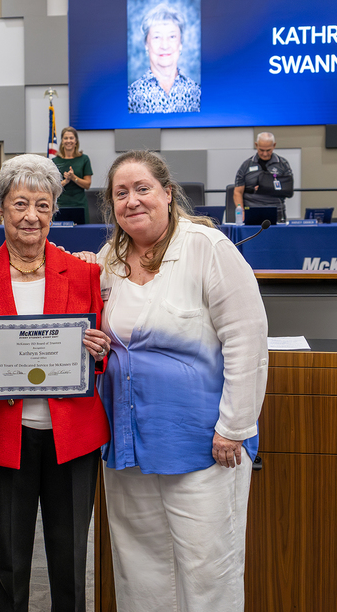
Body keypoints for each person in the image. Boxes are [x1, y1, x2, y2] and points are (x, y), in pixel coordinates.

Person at [97, 150, 267, 612]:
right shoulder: (108, 260)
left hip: (205, 446)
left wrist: (234, 427)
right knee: (140, 567)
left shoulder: (207, 249)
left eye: (142, 189)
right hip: (129, 444)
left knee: (208, 566)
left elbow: (247, 340)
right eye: (121, 193)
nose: (132, 201)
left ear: (168, 195)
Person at [0, 154, 112, 612]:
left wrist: (99, 351)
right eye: (21, 204)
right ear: (1, 208)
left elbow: (100, 354)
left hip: (74, 437)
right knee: (9, 561)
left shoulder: (86, 272)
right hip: (8, 437)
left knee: (70, 560)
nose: (32, 216)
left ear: (54, 211)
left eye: (43, 205)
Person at [127, 3, 200, 114]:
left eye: (172, 37)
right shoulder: (131, 96)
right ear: (146, 44)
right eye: (157, 37)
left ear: (180, 43)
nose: (164, 46)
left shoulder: (197, 93)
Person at [233, 131, 294, 221]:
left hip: (276, 212)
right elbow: (237, 192)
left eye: (268, 150)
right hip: (251, 211)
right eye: (261, 150)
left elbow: (288, 190)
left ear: (274, 145)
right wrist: (242, 213)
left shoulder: (283, 164)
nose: (265, 154)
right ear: (256, 145)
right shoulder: (246, 165)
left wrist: (264, 187)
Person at [51, 127, 94, 223]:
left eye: (71, 138)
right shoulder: (55, 161)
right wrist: (65, 181)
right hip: (61, 205)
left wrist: (74, 178)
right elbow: (53, 187)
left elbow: (87, 185)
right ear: (62, 141)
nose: (68, 141)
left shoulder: (84, 159)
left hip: (80, 205)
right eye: (66, 138)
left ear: (76, 141)